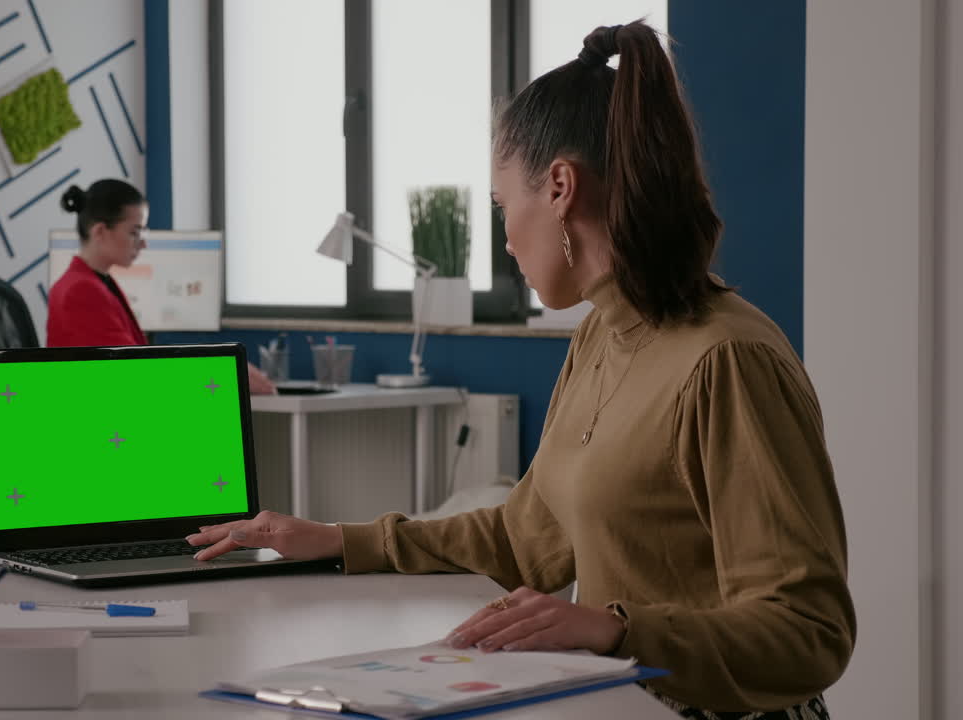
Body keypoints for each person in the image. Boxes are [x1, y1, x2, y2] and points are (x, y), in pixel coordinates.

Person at [186, 21, 854, 719]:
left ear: (562, 186)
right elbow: (524, 536)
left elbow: (811, 633)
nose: (504, 238)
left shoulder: (728, 361)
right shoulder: (599, 332)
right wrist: (334, 540)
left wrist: (618, 628)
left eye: (504, 206)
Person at [48, 179, 276, 394]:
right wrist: (227, 372)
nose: (143, 243)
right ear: (99, 231)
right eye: (135, 232)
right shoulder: (82, 291)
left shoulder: (93, 282)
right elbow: (134, 370)